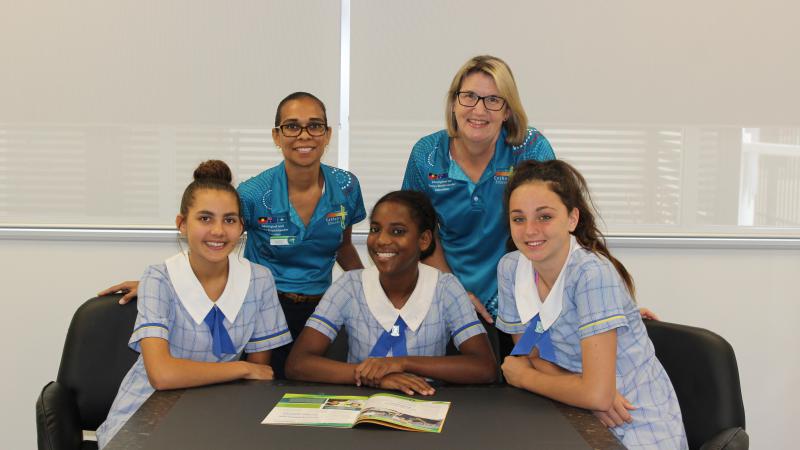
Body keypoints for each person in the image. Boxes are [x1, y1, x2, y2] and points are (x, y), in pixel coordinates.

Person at [99, 92, 366, 378]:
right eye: (291, 126)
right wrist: (168, 284)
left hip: (322, 306)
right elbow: (216, 243)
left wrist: (372, 288)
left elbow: (344, 246)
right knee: (262, 392)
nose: (304, 135)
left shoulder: (346, 186)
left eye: (314, 126)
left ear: (326, 135)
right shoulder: (253, 194)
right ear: (276, 136)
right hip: (264, 303)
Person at [96, 160, 291, 448]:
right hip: (147, 409)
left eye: (229, 220)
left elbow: (258, 375)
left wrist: (246, 373)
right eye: (205, 218)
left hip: (219, 407)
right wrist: (240, 368)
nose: (218, 231)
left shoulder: (259, 280)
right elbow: (161, 375)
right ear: (182, 225)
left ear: (241, 227)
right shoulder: (158, 277)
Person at [496, 160, 687, 449]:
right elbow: (531, 353)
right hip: (575, 406)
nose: (530, 230)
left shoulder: (591, 274)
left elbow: (526, 368)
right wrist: (582, 392)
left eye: (544, 216)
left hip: (633, 415)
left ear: (572, 219)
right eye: (518, 219)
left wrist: (523, 377)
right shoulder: (511, 268)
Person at [401, 55, 556, 359]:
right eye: (469, 96)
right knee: (453, 392)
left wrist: (607, 301)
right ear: (454, 103)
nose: (479, 109)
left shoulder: (530, 148)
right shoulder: (426, 154)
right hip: (446, 290)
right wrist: (455, 293)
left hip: (523, 293)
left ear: (508, 110)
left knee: (528, 385)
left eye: (493, 100)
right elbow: (416, 233)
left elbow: (557, 226)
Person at [285, 191, 497, 395]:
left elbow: (484, 367)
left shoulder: (445, 287)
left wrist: (401, 363)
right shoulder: (350, 285)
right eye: (375, 229)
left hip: (427, 405)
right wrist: (376, 377)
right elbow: (298, 363)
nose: (382, 240)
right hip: (360, 408)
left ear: (424, 240)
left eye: (397, 231)